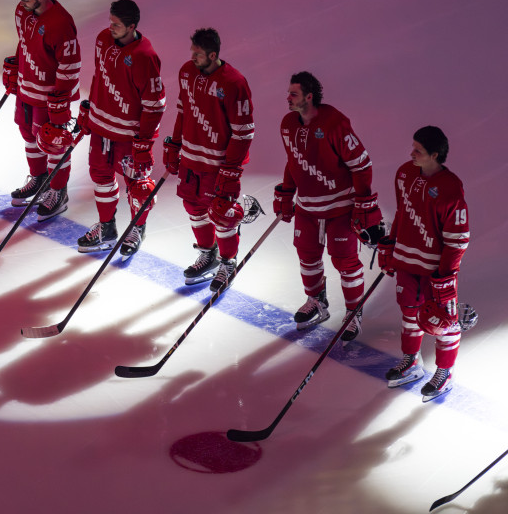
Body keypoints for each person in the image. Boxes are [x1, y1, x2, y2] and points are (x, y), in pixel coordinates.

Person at [274, 72, 378, 340]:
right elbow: (293, 161)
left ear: (309, 97)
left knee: (345, 261)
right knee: (307, 256)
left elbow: (361, 165)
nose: (287, 98)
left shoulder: (334, 123)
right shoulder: (287, 124)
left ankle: (354, 314)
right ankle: (317, 302)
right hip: (307, 208)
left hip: (339, 209)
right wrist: (287, 192)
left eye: (293, 94)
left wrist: (362, 205)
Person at [377, 126, 470, 402]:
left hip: (435, 272)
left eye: (418, 150)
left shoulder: (451, 187)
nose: (411, 153)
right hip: (406, 260)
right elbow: (402, 214)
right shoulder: (404, 173)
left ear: (435, 155)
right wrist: (390, 245)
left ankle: (445, 372)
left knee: (444, 322)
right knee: (409, 314)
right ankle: (411, 361)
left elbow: (458, 239)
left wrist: (445, 276)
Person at [163, 28, 259, 288]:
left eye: (198, 54)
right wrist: (175, 145)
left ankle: (228, 262)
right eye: (192, 51)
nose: (192, 57)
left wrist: (231, 169)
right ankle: (209, 253)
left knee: (221, 214)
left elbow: (244, 132)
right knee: (193, 208)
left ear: (213, 55)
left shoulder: (233, 83)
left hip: (218, 165)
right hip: (191, 158)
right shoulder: (186, 72)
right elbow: (182, 112)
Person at [75, 0, 164, 254]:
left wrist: (144, 142)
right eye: (110, 22)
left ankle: (138, 228)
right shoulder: (103, 39)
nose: (110, 27)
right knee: (101, 178)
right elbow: (98, 77)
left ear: (132, 26)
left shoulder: (145, 57)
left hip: (128, 135)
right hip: (101, 127)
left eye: (117, 24)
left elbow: (155, 105)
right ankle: (107, 227)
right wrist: (89, 108)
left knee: (138, 186)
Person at [3, 0, 80, 221]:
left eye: (26, 0)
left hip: (48, 96)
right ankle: (39, 180)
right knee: (28, 134)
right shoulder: (22, 11)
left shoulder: (61, 23)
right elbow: (24, 42)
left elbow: (70, 65)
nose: (22, 4)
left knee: (53, 143)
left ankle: (59, 193)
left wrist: (60, 101)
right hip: (26, 86)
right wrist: (15, 68)